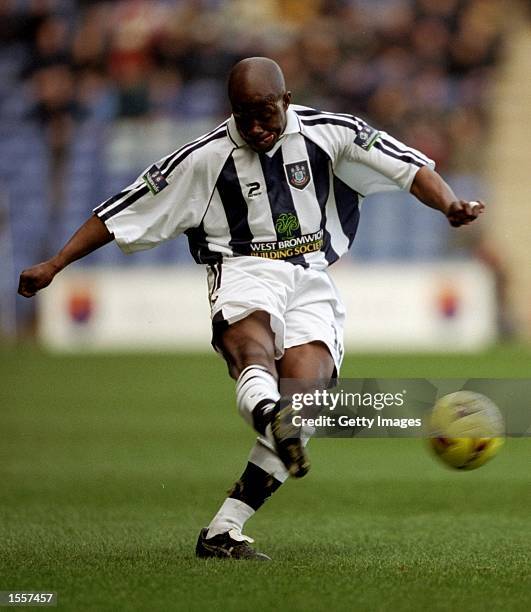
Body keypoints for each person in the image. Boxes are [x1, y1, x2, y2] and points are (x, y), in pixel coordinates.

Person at [18, 57, 484, 561]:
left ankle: (224, 530)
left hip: (311, 277)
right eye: (245, 116)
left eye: (266, 113)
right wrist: (56, 263)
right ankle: (268, 412)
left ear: (286, 101)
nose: (257, 127)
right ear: (231, 111)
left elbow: (410, 168)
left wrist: (451, 205)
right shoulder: (203, 158)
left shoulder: (334, 133)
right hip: (242, 266)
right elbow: (120, 211)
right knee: (253, 346)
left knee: (304, 401)